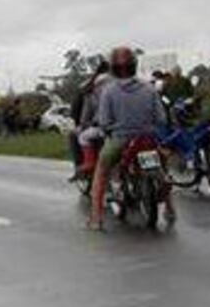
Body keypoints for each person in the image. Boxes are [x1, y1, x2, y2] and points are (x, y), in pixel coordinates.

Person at [87, 47, 170, 230]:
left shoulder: (109, 91)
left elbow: (104, 122)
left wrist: (111, 128)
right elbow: (161, 118)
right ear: (134, 65)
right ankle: (170, 209)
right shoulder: (149, 89)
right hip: (148, 139)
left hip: (120, 140)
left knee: (101, 171)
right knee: (161, 168)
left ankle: (96, 218)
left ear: (113, 68)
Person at [67, 60, 110, 181]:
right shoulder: (128, 83)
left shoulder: (91, 87)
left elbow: (84, 113)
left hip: (102, 126)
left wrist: (83, 124)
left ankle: (82, 167)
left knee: (76, 136)